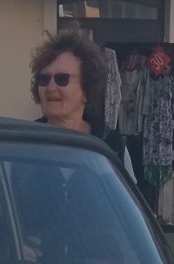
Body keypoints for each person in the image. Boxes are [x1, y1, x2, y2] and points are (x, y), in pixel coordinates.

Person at [29, 27, 133, 177]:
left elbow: (125, 200)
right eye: (44, 79)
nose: (51, 87)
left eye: (62, 79)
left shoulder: (113, 145)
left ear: (87, 89)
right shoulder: (24, 141)